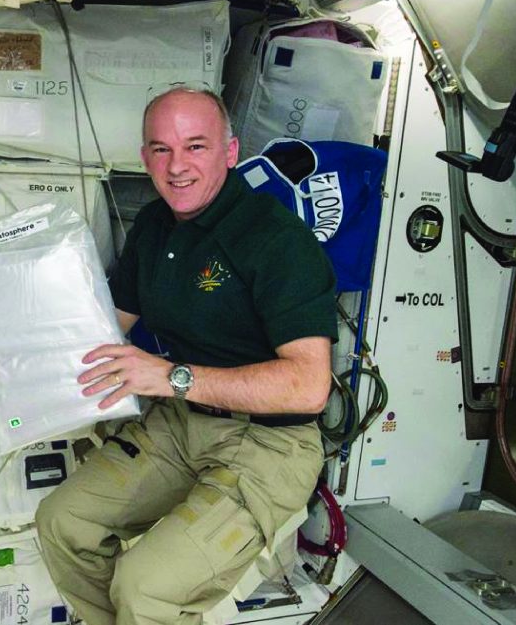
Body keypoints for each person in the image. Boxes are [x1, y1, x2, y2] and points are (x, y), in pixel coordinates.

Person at [34, 87, 338, 625]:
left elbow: (308, 386)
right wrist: (15, 344)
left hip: (269, 443)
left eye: (195, 147)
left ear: (230, 151)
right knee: (64, 523)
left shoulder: (275, 240)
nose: (176, 167)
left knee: (145, 586)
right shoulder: (154, 225)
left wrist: (170, 376)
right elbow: (107, 326)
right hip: (179, 426)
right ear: (144, 155)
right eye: (160, 149)